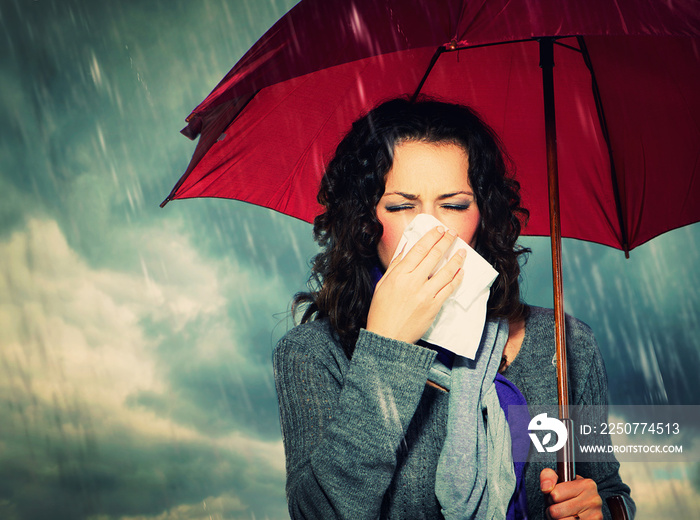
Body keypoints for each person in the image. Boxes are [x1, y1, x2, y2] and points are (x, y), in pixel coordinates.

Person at [273, 97, 634, 519]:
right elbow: (322, 514)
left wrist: (601, 511)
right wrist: (387, 349)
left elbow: (610, 492)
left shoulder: (564, 344)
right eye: (401, 206)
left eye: (455, 205)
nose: (432, 230)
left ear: (483, 216)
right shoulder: (314, 354)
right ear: (365, 223)